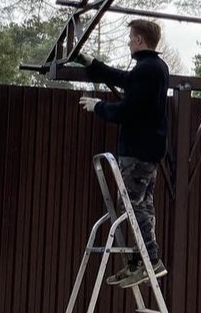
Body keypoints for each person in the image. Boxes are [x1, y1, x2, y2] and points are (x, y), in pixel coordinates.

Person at [73, 19, 170, 288]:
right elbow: (123, 79)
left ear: (139, 40)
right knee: (142, 205)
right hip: (149, 150)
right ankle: (143, 260)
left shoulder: (146, 70)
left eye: (130, 38)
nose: (128, 43)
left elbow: (128, 111)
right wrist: (92, 63)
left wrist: (99, 107)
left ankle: (149, 260)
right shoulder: (155, 67)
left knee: (134, 206)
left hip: (137, 151)